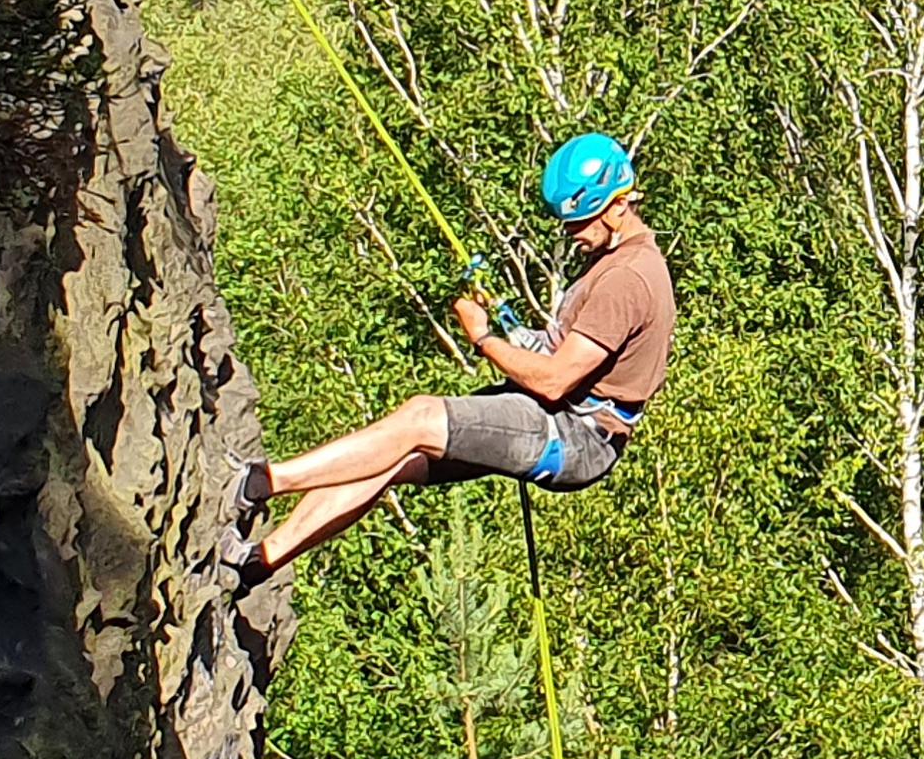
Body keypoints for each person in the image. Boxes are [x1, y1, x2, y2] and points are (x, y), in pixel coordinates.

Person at [229, 132, 673, 582]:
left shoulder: (627, 279)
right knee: (385, 457)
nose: (571, 233)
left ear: (620, 204)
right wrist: (512, 331)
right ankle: (256, 562)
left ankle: (261, 483)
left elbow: (555, 380)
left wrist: (482, 337)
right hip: (565, 417)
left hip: (576, 434)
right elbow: (566, 351)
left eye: (581, 222)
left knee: (418, 418)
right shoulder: (615, 259)